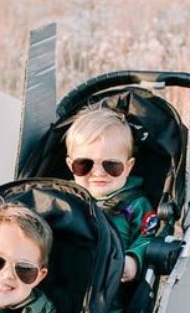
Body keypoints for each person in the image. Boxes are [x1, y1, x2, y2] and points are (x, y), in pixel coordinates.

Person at [65, 106, 157, 283]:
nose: (98, 173)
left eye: (111, 165)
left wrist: (133, 259)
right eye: (84, 164)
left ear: (128, 167)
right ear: (70, 165)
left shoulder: (136, 204)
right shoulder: (62, 199)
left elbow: (148, 237)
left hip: (110, 291)